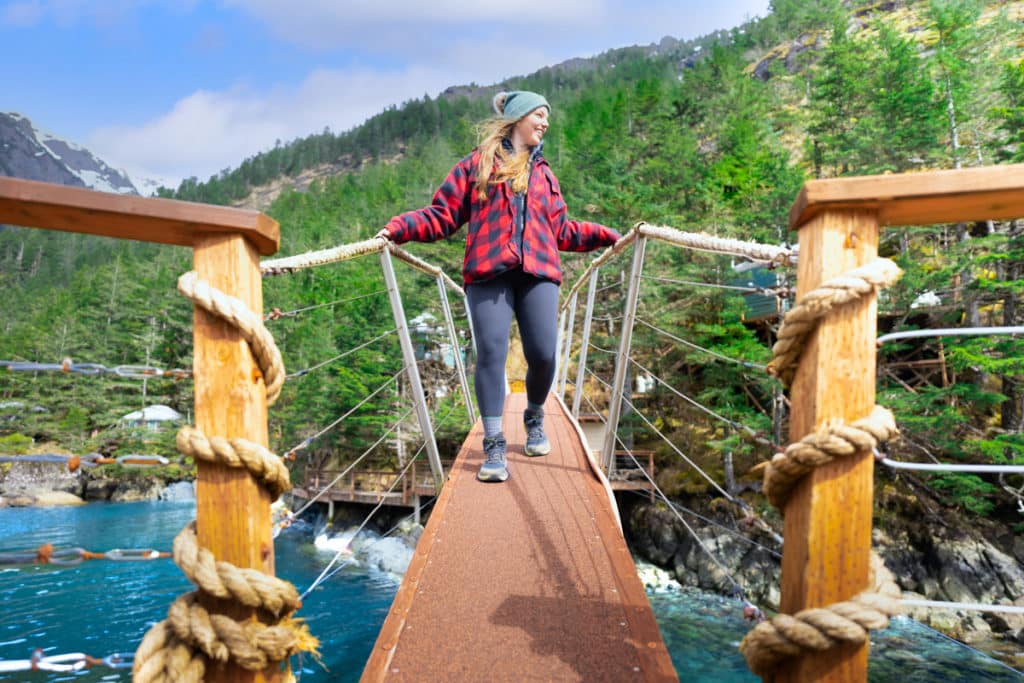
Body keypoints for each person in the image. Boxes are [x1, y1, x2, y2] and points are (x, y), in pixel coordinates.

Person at [377, 90, 620, 483]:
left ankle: (534, 416)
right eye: (539, 115)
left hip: (539, 272)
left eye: (547, 118)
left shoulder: (545, 175)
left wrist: (606, 235)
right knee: (491, 351)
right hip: (488, 271)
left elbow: (563, 230)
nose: (545, 123)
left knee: (543, 354)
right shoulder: (477, 165)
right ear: (518, 118)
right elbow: (441, 216)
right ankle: (494, 443)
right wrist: (399, 228)